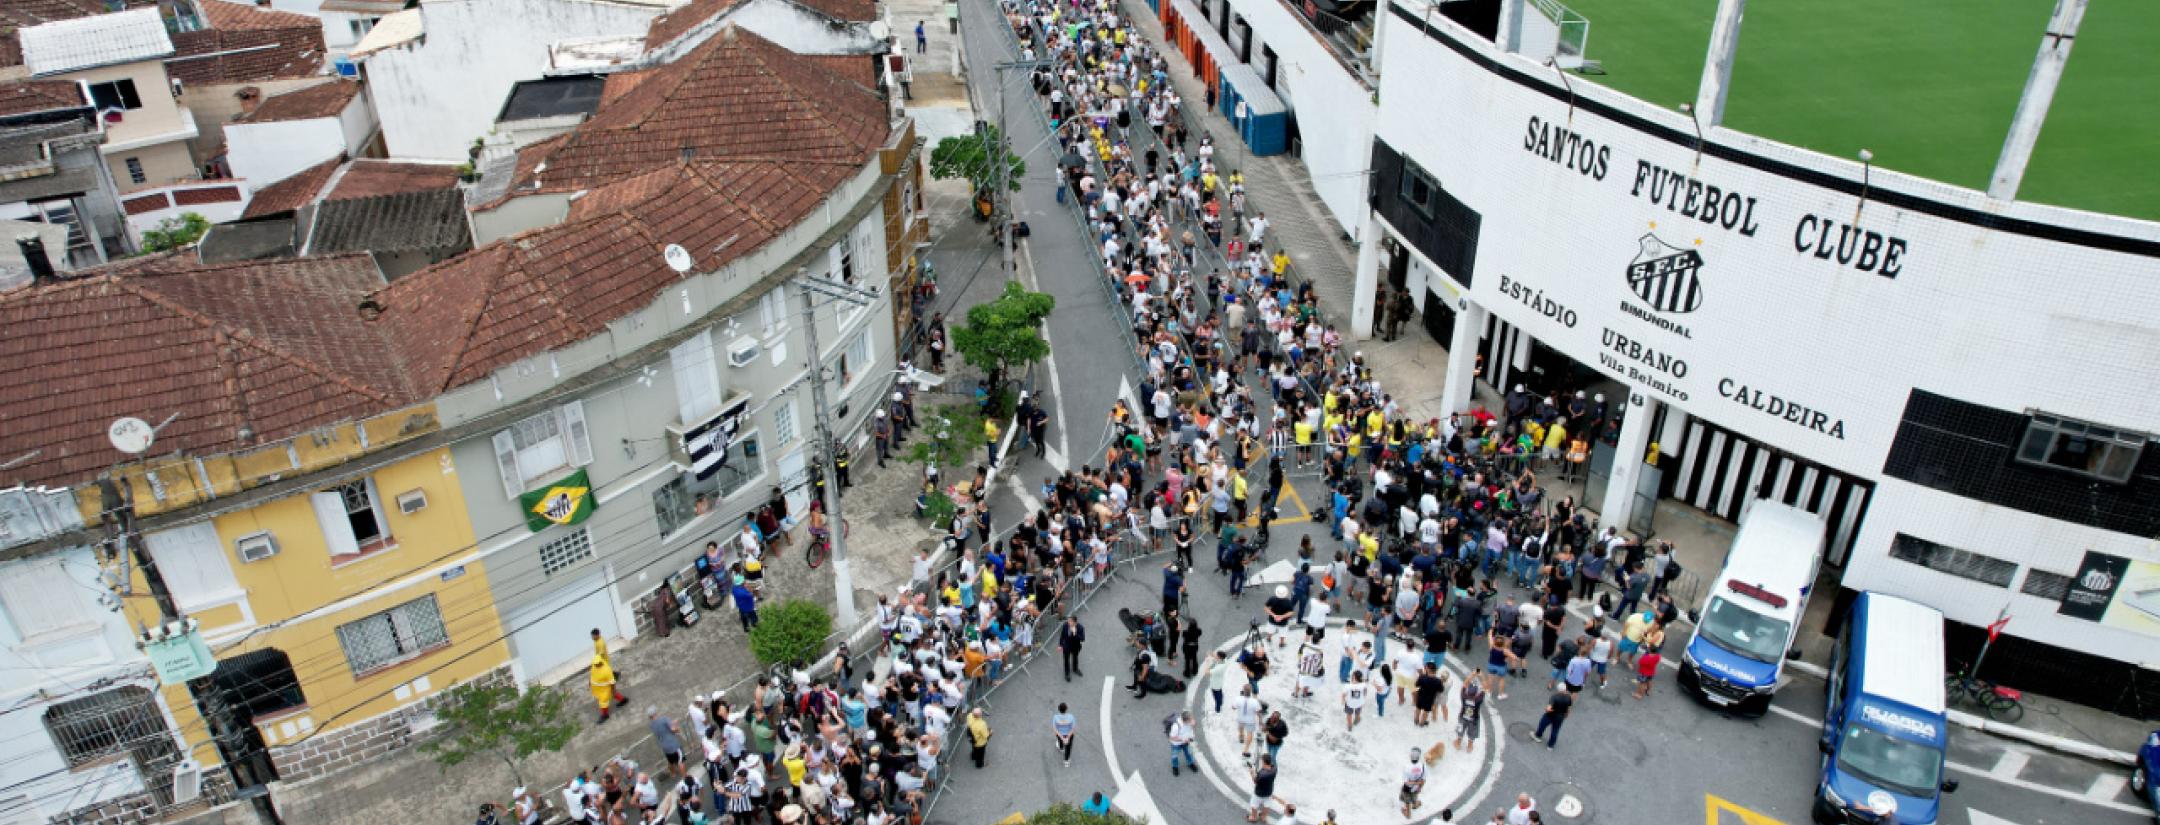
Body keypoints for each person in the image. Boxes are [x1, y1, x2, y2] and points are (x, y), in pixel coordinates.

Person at [589, 653, 625, 723]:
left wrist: (613, 690)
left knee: (603, 702)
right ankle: (623, 700)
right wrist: (590, 682)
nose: (596, 665)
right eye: (595, 664)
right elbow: (592, 674)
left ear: (600, 662)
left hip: (604, 689)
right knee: (612, 695)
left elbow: (612, 682)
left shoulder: (606, 670)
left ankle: (605, 715)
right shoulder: (594, 665)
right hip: (597, 688)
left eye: (597, 664)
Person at [1455, 675, 1485, 751]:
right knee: (1472, 734)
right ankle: (1469, 747)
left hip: (1463, 716)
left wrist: (1473, 674)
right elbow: (1485, 686)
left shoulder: (1464, 696)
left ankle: (1458, 743)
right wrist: (1481, 675)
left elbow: (1464, 684)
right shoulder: (1478, 700)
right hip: (1474, 719)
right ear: (1476, 693)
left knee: (1460, 730)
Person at [1247, 755, 1278, 823]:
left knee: (1254, 805)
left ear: (1264, 762)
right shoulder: (1274, 769)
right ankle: (1263, 817)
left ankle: (1253, 817)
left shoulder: (1262, 775)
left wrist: (1252, 772)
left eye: (1262, 761)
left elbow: (1255, 781)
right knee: (1267, 805)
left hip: (1259, 793)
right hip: (1269, 792)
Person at [1167, 711, 1198, 776]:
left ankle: (1190, 763)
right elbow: (1171, 737)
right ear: (1185, 721)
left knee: (1189, 753)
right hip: (1176, 744)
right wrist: (1183, 739)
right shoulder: (1176, 726)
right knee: (1175, 756)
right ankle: (1175, 767)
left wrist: (1194, 725)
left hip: (1186, 741)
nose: (1192, 720)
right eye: (1190, 719)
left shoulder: (1189, 721)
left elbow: (1193, 726)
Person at [1400, 747, 1428, 818]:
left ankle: (1407, 814)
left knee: (1407, 800)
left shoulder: (1407, 767)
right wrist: (1419, 787)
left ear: (1410, 756)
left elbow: (1406, 782)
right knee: (1414, 797)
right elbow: (1423, 780)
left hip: (1407, 789)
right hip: (1416, 788)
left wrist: (1415, 783)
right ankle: (1415, 805)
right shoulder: (1423, 766)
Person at [1060, 616, 1087, 681]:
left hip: (1075, 646)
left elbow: (1082, 639)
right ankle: (1067, 673)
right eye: (1068, 621)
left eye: (1070, 621)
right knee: (1066, 659)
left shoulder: (1080, 628)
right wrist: (1060, 645)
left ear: (1075, 623)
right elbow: (1062, 635)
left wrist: (1075, 633)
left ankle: (1075, 669)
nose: (1068, 622)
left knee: (1075, 657)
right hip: (1067, 646)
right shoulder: (1065, 625)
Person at [1051, 703, 1078, 767]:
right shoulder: (1071, 717)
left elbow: (1055, 729)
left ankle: (1061, 748)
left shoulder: (1055, 717)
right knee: (1068, 748)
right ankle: (1066, 761)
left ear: (1059, 709)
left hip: (1060, 734)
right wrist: (1067, 737)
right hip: (1069, 734)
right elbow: (1073, 729)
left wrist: (1062, 738)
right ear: (1066, 709)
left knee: (1060, 741)